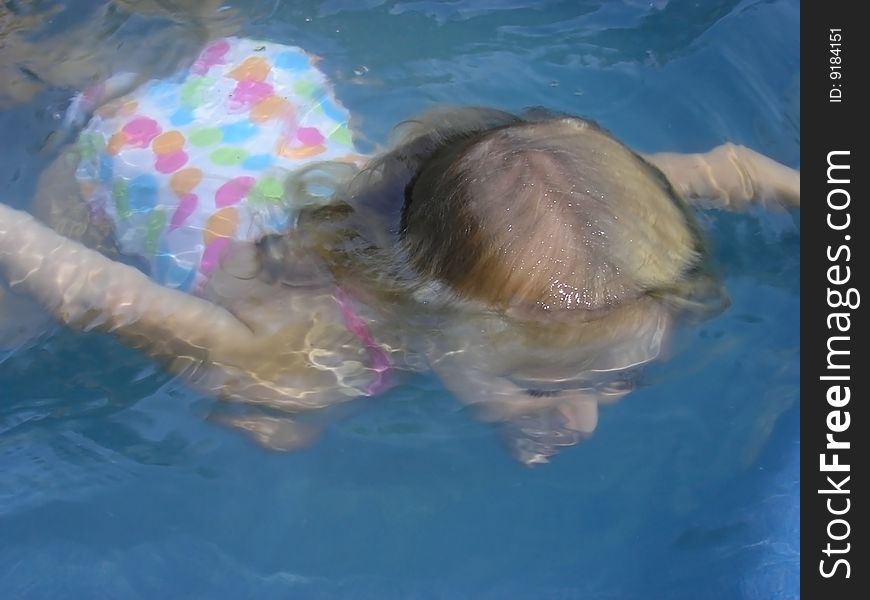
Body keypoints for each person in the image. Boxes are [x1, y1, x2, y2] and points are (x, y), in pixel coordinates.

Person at [0, 37, 799, 465]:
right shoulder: (300, 350)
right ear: (421, 318)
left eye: (622, 380)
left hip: (252, 80)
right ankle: (27, 73)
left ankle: (161, 40)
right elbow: (99, 295)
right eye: (539, 383)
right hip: (117, 165)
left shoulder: (600, 217)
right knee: (275, 419)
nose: (584, 421)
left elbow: (732, 172)